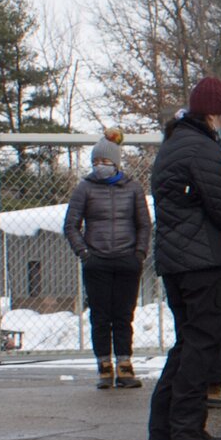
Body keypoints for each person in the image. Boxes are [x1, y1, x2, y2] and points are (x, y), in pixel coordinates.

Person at [146, 77, 221, 440]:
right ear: (215, 115)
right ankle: (186, 429)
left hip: (176, 261)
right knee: (203, 344)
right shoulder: (202, 150)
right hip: (203, 261)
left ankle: (163, 428)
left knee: (187, 343)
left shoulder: (173, 145)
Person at [62, 138, 152, 389]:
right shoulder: (84, 188)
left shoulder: (133, 187)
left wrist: (139, 253)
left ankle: (125, 365)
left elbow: (144, 224)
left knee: (124, 315)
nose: (100, 165)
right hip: (97, 260)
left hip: (127, 260)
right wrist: (84, 252)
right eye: (96, 162)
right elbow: (71, 225)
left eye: (105, 161)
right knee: (101, 317)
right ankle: (103, 366)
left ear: (116, 162)